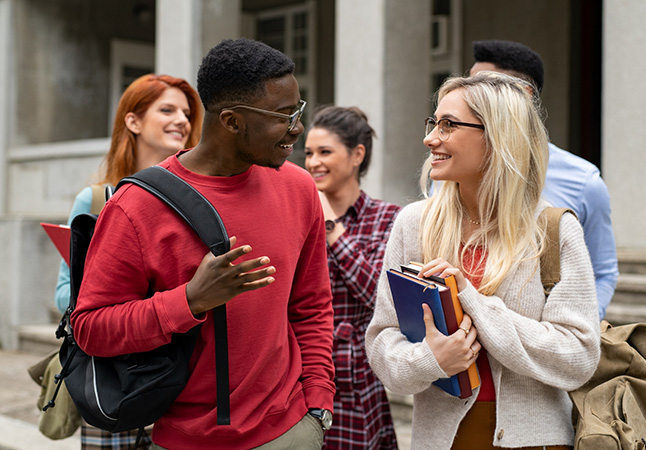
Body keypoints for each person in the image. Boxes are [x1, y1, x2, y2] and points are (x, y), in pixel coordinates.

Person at [70, 38, 335, 450]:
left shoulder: (299, 188)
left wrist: (318, 405)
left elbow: (312, 306)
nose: (298, 127)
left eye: (297, 111)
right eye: (286, 115)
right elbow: (90, 328)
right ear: (231, 121)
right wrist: (190, 301)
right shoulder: (135, 206)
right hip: (183, 439)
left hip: (292, 431)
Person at [365, 72, 601, 449]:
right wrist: (431, 360)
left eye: (448, 125)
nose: (430, 138)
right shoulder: (414, 224)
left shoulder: (554, 229)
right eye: (433, 122)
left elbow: (578, 357)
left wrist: (469, 298)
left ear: (496, 136)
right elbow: (382, 344)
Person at [53, 73, 202, 449]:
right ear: (132, 122)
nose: (182, 120)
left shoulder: (198, 200)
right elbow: (63, 295)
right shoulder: (96, 200)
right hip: (115, 379)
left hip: (182, 379)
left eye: (186, 112)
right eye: (167, 109)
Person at [469, 39, 619, 320]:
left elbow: (603, 271)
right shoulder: (450, 173)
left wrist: (578, 331)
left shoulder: (584, 182)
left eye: (481, 88)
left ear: (524, 95)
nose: (467, 96)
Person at [304, 105, 400, 450]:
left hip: (357, 378)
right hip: (301, 375)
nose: (313, 162)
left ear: (357, 154)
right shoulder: (298, 217)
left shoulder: (388, 218)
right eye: (309, 153)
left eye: (324, 152)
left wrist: (330, 224)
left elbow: (378, 293)